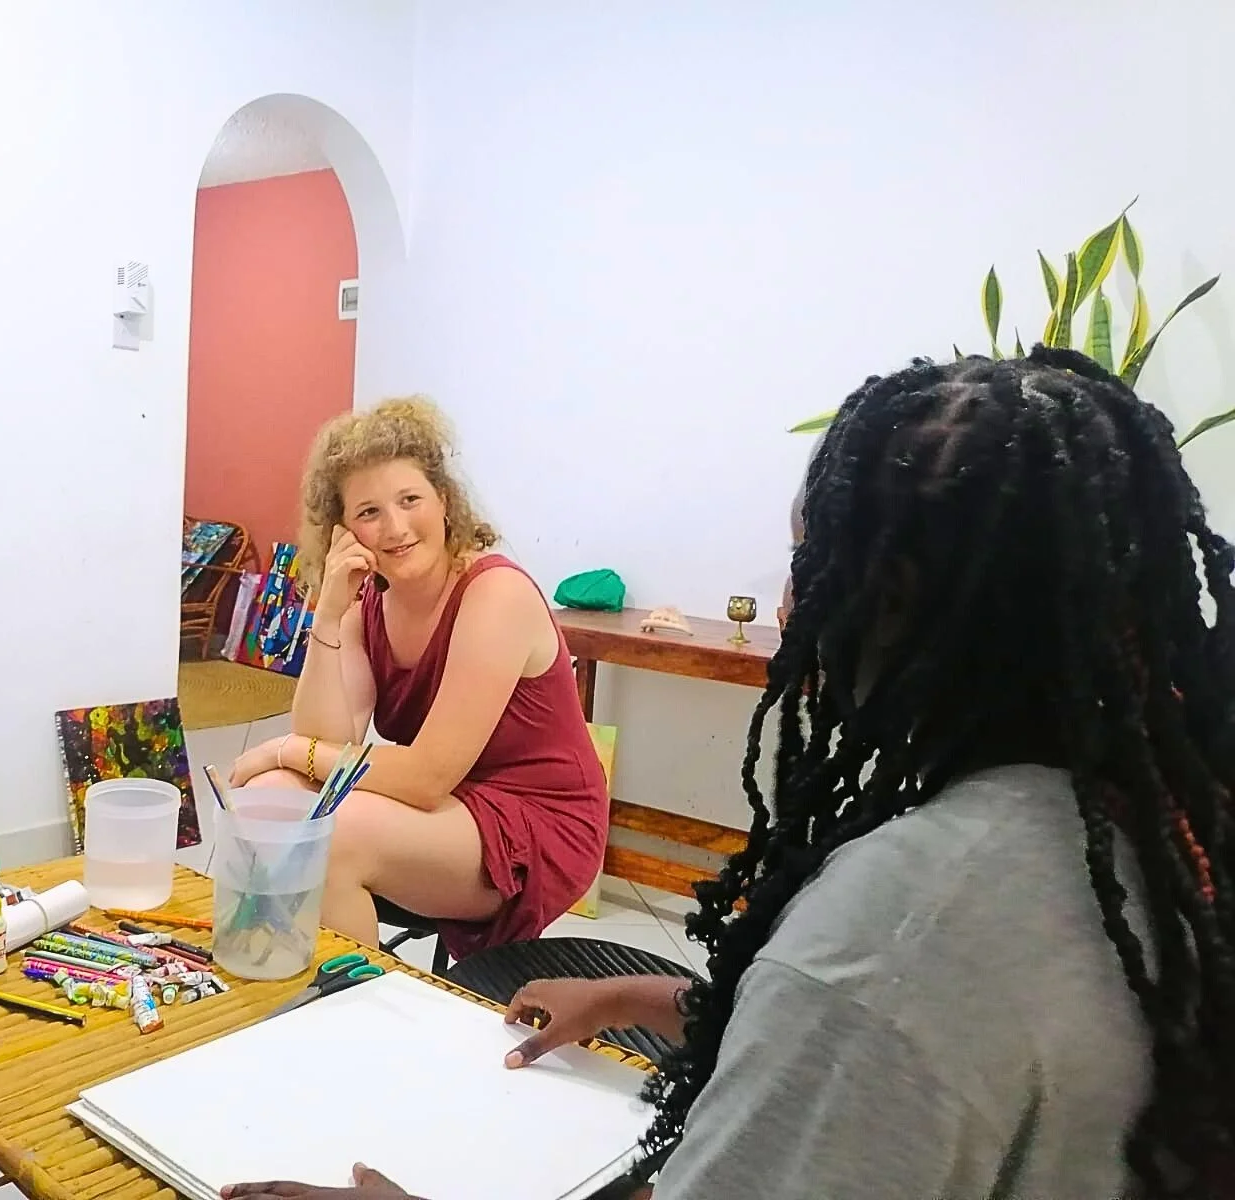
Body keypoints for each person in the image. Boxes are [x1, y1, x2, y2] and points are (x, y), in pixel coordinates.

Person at [222, 348, 1235, 1198]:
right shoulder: (1139, 830)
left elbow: (847, 1032)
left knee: (325, 822)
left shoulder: (892, 933)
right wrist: (658, 997)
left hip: (514, 825)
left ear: (892, 601)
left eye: (811, 566)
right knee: (283, 807)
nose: (785, 605)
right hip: (460, 823)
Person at [227, 397, 607, 953]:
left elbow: (424, 777)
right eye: (369, 512)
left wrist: (283, 748)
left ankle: (360, 998)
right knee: (272, 796)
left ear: (444, 501)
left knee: (328, 836)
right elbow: (325, 740)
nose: (396, 527)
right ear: (343, 532)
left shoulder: (495, 594)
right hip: (450, 803)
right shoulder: (368, 605)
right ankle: (301, 981)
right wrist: (328, 614)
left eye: (410, 500)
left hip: (536, 821)